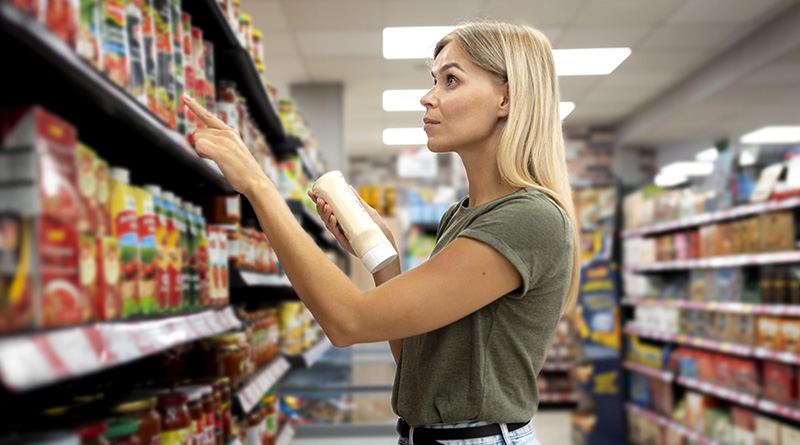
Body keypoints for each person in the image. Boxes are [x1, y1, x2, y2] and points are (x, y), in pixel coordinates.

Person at [184, 19, 579, 445]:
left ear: (506, 96)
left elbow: (347, 322)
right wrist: (382, 258)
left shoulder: (529, 217)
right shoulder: (462, 216)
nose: (428, 97)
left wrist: (259, 188)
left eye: (450, 80)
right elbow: (414, 362)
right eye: (434, 80)